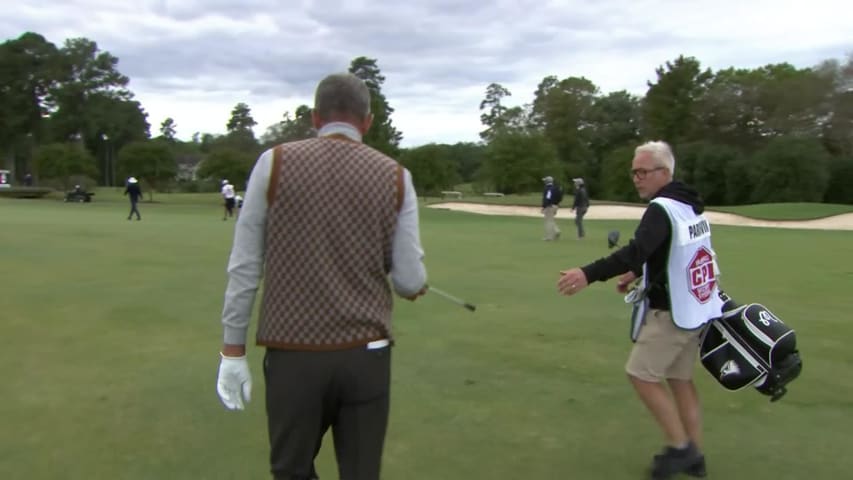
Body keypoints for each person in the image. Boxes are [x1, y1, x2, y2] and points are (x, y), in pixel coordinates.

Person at [215, 72, 428, 480]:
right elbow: (409, 279)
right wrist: (414, 285)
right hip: (366, 355)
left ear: (315, 118)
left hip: (293, 354)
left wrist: (232, 350)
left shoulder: (273, 163)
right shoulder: (396, 176)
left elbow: (244, 266)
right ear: (367, 121)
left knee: (291, 471)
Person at [556, 141, 723, 480]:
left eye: (642, 172)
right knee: (679, 380)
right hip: (697, 308)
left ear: (664, 173)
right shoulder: (688, 205)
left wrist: (587, 273)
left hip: (672, 312)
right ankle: (696, 455)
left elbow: (636, 250)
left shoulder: (662, 208)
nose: (636, 178)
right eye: (634, 172)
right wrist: (637, 274)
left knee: (641, 375)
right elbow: (669, 252)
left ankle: (680, 448)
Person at [541, 176, 561, 241]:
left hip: (549, 206)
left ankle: (549, 237)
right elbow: (560, 198)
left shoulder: (547, 188)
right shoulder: (556, 188)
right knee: (551, 220)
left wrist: (544, 207)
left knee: (548, 221)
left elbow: (547, 198)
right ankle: (556, 230)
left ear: (547, 181)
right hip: (556, 206)